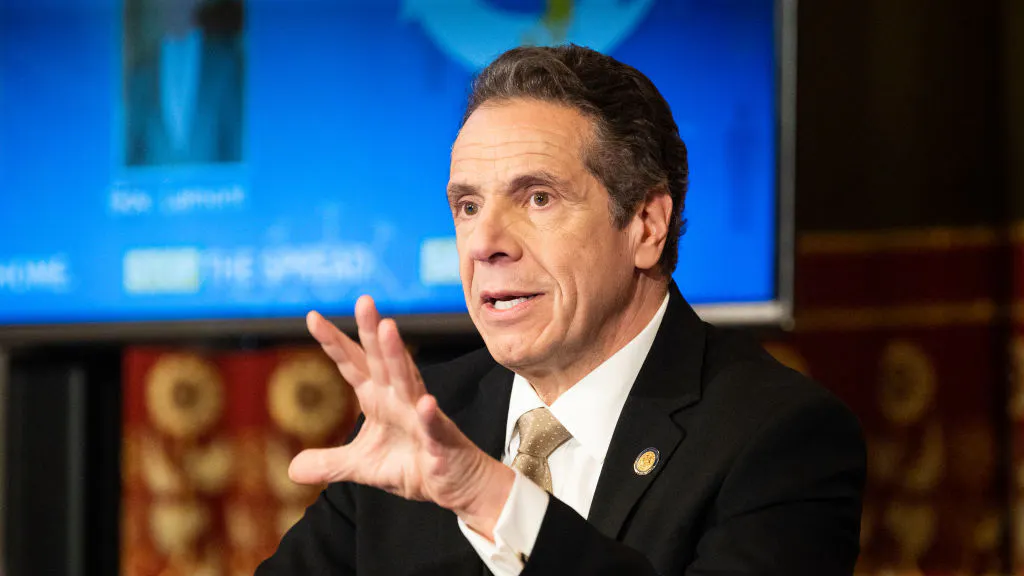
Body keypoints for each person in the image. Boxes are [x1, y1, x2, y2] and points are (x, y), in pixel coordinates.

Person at [257, 45, 865, 575]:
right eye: (468, 206)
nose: (485, 242)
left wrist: (489, 496)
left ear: (646, 226)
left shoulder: (777, 438)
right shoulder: (421, 419)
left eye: (538, 198)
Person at [124, 0, 243, 166]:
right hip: (155, 189)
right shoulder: (141, 75)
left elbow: (236, 144)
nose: (175, 5)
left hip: (216, 190)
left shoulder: (224, 66)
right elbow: (132, 153)